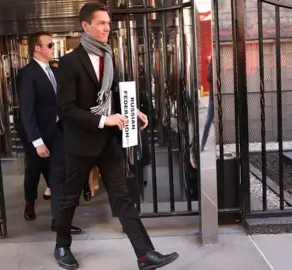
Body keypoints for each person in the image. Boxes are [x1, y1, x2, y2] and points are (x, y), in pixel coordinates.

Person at [54, 3, 179, 269]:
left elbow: (112, 97)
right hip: (81, 143)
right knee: (69, 198)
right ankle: (62, 246)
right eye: (101, 23)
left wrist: (133, 111)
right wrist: (102, 119)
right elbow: (66, 110)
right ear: (85, 26)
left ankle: (145, 255)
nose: (107, 28)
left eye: (108, 23)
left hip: (109, 141)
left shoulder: (108, 56)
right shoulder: (69, 62)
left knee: (122, 197)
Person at [17, 31, 82, 234]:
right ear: (38, 48)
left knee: (58, 178)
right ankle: (30, 202)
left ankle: (59, 222)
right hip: (38, 135)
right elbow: (27, 110)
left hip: (58, 134)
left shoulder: (54, 72)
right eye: (50, 45)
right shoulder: (27, 73)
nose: (54, 48)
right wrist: (37, 141)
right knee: (33, 172)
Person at [201, 55, 214, 151]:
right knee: (208, 120)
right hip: (213, 96)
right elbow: (208, 77)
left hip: (219, 94)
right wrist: (211, 64)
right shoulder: (211, 63)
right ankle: (202, 144)